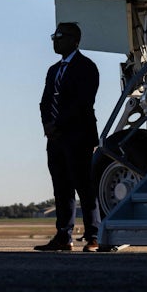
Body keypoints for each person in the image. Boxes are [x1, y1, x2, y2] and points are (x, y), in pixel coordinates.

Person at [34, 22, 102, 252]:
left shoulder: (87, 67)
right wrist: (47, 124)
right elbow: (45, 101)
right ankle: (63, 236)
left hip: (78, 135)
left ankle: (94, 235)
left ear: (75, 40)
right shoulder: (54, 70)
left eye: (60, 36)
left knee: (84, 186)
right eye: (54, 36)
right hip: (55, 138)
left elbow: (83, 102)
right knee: (61, 188)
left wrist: (58, 124)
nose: (55, 40)